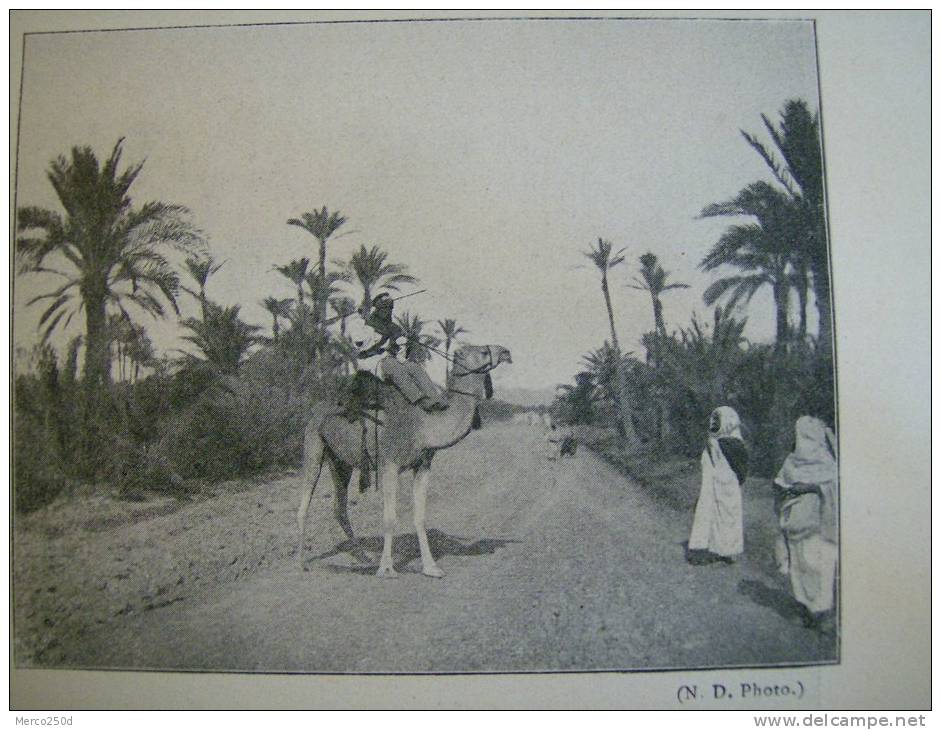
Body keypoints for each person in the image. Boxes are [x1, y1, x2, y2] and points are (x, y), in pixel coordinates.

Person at [773, 416, 838, 633]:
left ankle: (821, 612)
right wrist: (787, 493)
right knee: (800, 565)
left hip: (818, 524)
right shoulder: (792, 461)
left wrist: (808, 488)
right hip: (796, 522)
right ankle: (805, 608)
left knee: (818, 564)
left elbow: (833, 488)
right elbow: (780, 484)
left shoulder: (825, 461)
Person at [347, 293, 447, 412]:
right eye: (384, 308)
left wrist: (407, 341)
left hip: (390, 359)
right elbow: (359, 343)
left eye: (389, 308)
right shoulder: (367, 324)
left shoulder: (393, 327)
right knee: (393, 366)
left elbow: (400, 347)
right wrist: (362, 319)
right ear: (377, 310)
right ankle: (420, 401)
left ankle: (434, 399)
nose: (387, 311)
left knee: (413, 367)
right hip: (371, 362)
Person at [687, 406, 749, 566]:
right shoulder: (713, 441)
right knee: (711, 514)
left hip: (728, 486)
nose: (713, 422)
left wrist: (735, 480)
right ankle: (710, 549)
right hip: (712, 485)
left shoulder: (734, 443)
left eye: (717, 419)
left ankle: (725, 551)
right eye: (713, 419)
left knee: (727, 517)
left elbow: (741, 468)